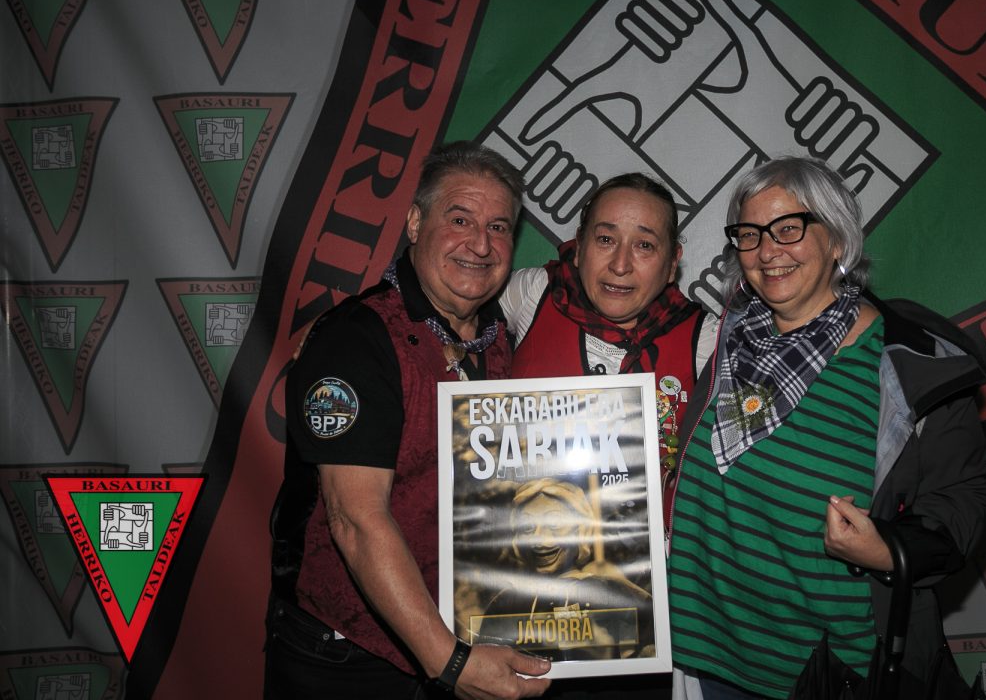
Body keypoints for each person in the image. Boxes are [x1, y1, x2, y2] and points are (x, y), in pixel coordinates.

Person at [667, 156, 986, 698]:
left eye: (789, 228)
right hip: (708, 658)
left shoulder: (908, 363)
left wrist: (890, 550)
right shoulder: (723, 339)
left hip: (826, 676)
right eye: (749, 234)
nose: (767, 251)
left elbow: (969, 499)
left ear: (838, 241)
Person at [265, 142, 552, 699]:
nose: (480, 244)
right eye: (460, 219)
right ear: (416, 223)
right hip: (348, 657)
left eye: (498, 227)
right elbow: (356, 520)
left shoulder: (499, 339)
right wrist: (450, 662)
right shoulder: (355, 340)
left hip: (460, 637)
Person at [501, 173, 718, 491]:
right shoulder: (537, 293)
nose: (620, 265)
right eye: (605, 239)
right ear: (579, 247)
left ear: (673, 263)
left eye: (644, 245)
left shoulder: (705, 339)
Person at [473, 478, 655, 661]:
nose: (539, 538)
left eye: (554, 524)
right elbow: (487, 661)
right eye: (527, 527)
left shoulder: (609, 591)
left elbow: (654, 642)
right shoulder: (505, 604)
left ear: (580, 528)